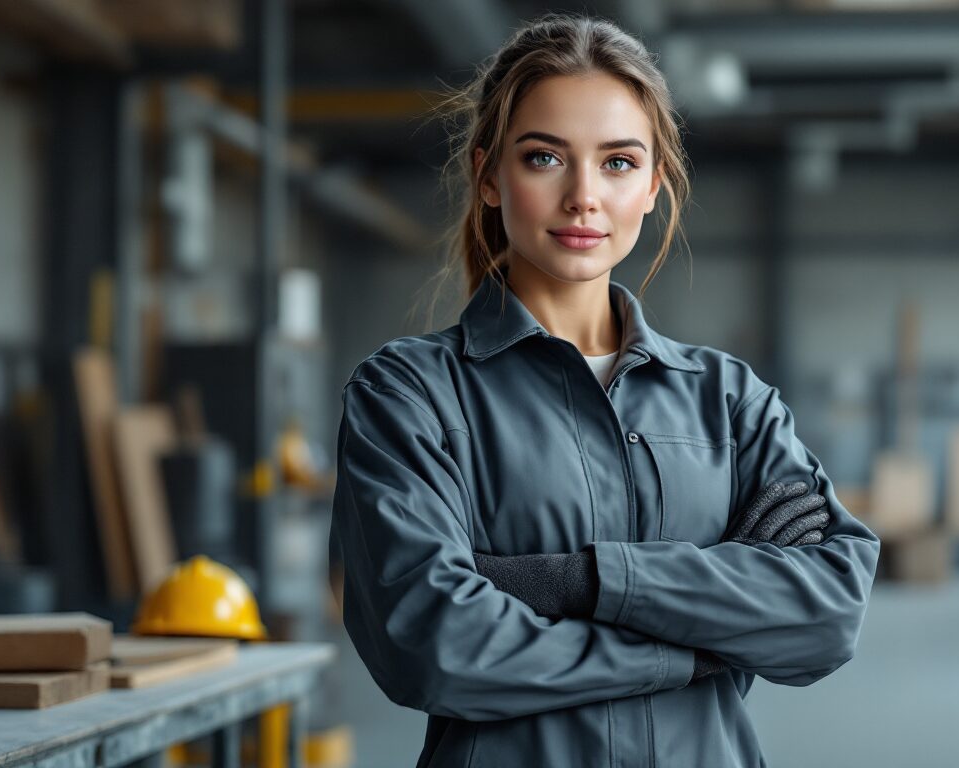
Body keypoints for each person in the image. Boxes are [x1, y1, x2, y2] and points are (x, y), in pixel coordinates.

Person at [329, 14, 881, 767]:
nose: (584, 196)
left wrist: (575, 581)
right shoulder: (409, 397)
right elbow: (431, 643)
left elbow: (826, 614)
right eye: (545, 157)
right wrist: (694, 649)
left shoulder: (730, 401)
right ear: (490, 176)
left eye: (618, 163)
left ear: (654, 185)